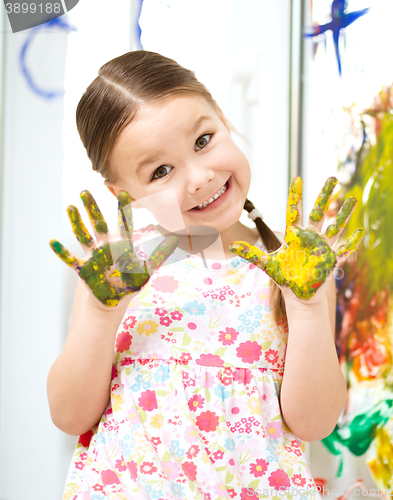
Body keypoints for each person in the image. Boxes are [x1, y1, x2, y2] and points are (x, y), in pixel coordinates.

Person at [47, 51, 363, 500]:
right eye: (160, 171)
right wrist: (101, 315)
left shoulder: (294, 268)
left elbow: (314, 422)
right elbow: (70, 414)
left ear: (222, 116)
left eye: (203, 140)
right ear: (123, 194)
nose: (198, 177)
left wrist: (308, 308)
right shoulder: (115, 278)